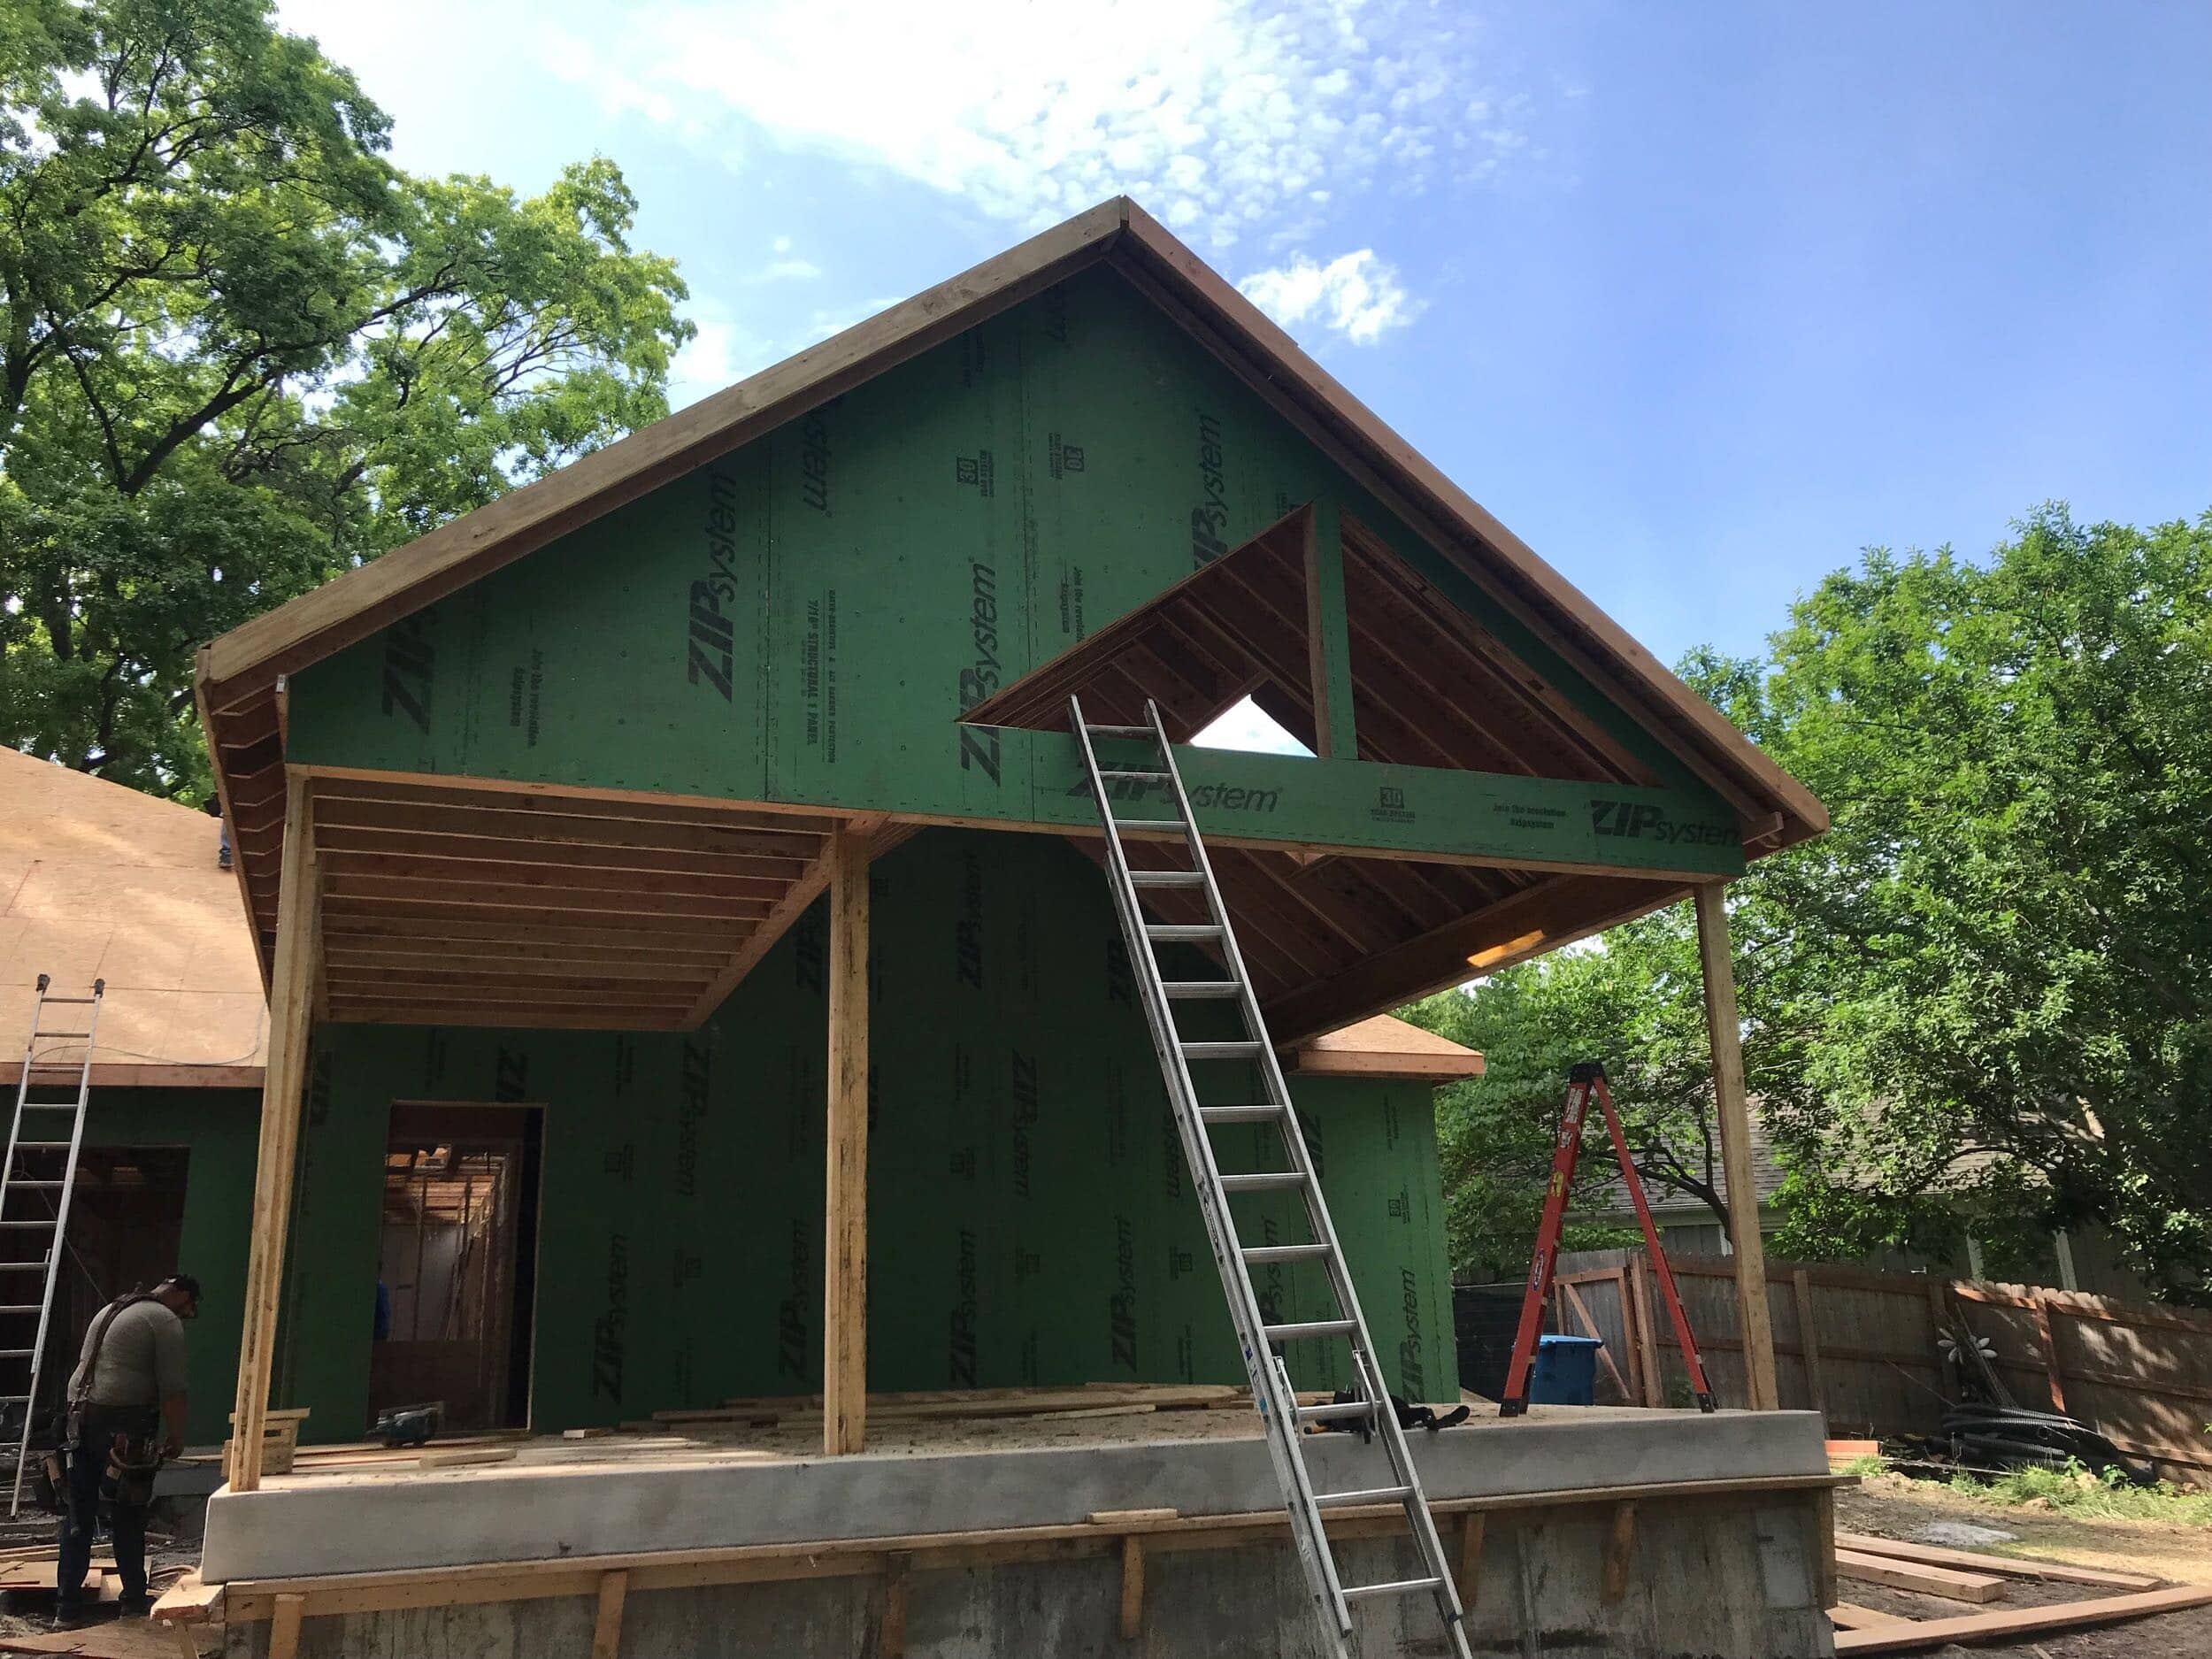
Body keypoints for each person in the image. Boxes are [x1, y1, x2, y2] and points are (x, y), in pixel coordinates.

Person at [54, 1275, 199, 1626]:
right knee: (129, 1513)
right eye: (189, 1308)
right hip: (124, 1425)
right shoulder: (162, 1320)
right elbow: (173, 1390)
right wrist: (176, 1437)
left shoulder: (112, 1309)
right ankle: (133, 1600)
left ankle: (67, 1609)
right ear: (179, 1294)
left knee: (78, 1515)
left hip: (79, 1418)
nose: (186, 1316)